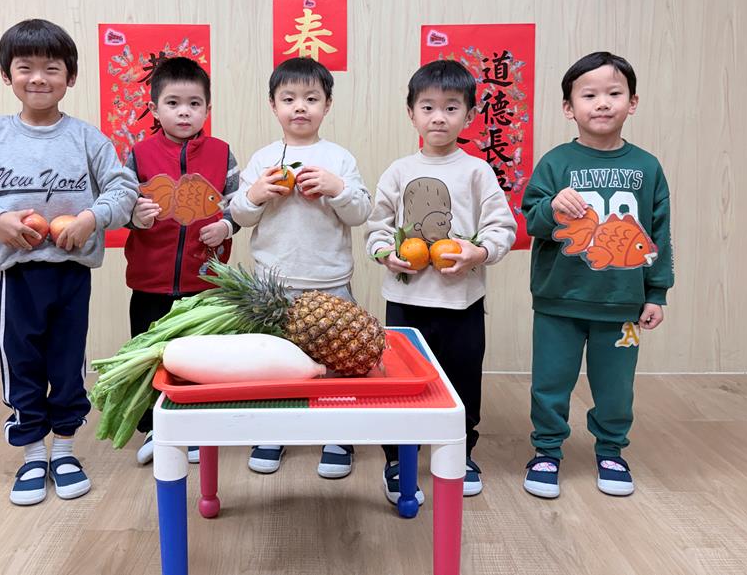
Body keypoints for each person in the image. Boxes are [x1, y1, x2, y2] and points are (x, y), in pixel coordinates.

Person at [0, 19, 136, 506]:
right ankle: (33, 453)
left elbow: (123, 189)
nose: (38, 78)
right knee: (22, 363)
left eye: (51, 68)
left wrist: (92, 218)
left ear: (70, 77)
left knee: (68, 363)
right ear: (5, 75)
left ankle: (66, 450)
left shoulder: (88, 139)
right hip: (15, 277)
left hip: (70, 273)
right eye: (25, 67)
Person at [521, 51, 673, 499]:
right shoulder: (555, 163)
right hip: (559, 299)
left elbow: (659, 232)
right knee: (550, 382)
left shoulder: (647, 167)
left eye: (614, 93)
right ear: (569, 108)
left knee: (616, 387)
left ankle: (611, 451)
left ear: (633, 102)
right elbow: (531, 221)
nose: (602, 103)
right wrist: (552, 207)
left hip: (623, 303)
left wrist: (656, 293)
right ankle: (546, 451)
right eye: (589, 95)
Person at [367, 59, 517, 505]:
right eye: (428, 107)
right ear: (411, 113)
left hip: (462, 302)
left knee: (463, 379)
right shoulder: (398, 171)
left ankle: (459, 452)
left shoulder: (477, 171)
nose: (438, 117)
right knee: (399, 381)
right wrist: (386, 254)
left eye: (451, 108)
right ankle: (398, 458)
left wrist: (479, 253)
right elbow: (377, 227)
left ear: (469, 115)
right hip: (405, 300)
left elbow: (502, 227)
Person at [230, 57, 372, 479]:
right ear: (272, 105)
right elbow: (240, 215)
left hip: (330, 282)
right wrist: (256, 193)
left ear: (327, 105)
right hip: (272, 284)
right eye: (289, 98)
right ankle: (273, 430)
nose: (300, 107)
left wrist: (337, 188)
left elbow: (360, 212)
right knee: (273, 360)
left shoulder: (338, 158)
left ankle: (337, 435)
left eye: (311, 98)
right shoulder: (263, 158)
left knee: (337, 360)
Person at [123, 55, 239, 465]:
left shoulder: (223, 153)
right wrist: (135, 216)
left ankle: (197, 424)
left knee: (200, 358)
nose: (184, 112)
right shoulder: (139, 154)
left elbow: (238, 206)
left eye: (194, 103)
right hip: (149, 281)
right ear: (155, 109)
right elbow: (121, 205)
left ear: (208, 108)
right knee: (150, 355)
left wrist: (226, 227)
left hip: (204, 280)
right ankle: (155, 427)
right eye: (173, 103)